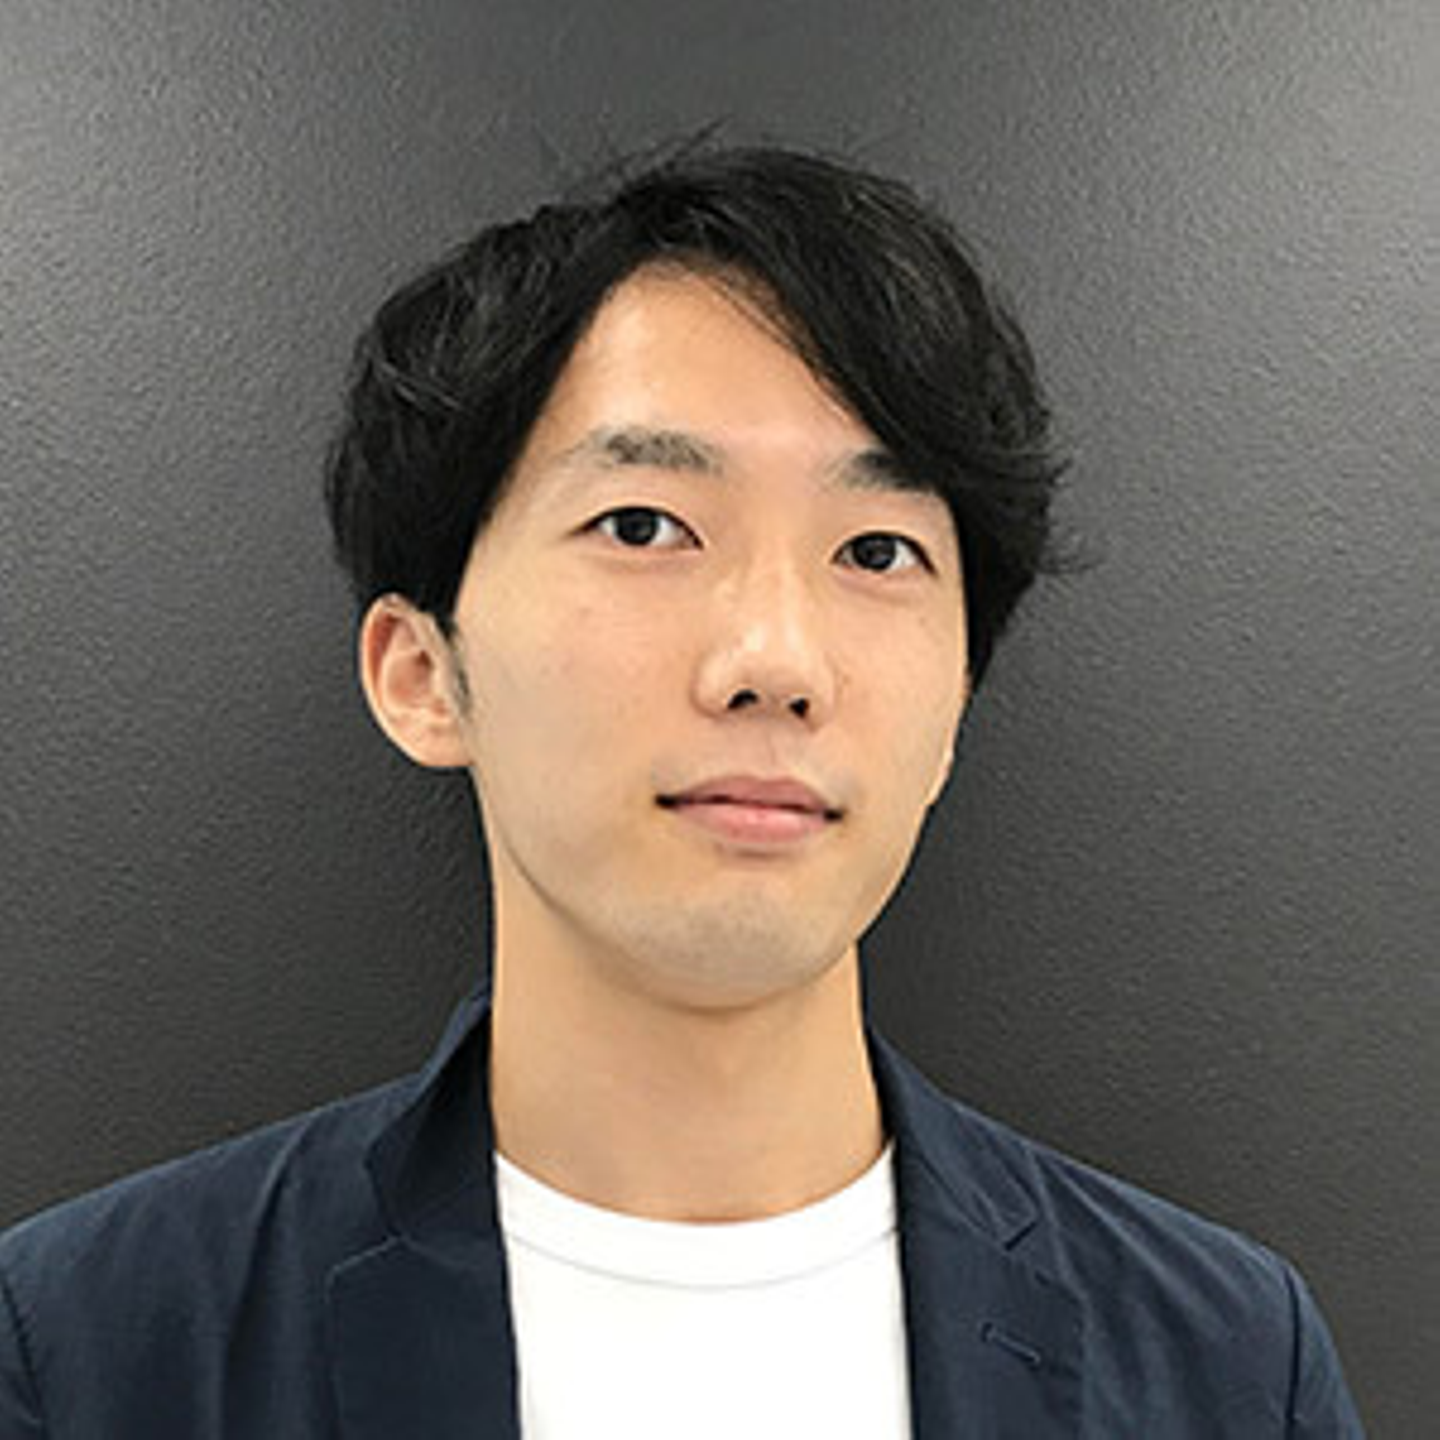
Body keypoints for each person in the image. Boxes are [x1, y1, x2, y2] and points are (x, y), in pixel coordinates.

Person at [0, 141, 1363, 1438]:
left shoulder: (1230, 1364)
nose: (774, 660)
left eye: (876, 551)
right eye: (645, 526)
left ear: (956, 705)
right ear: (424, 674)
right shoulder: (91, 1350)